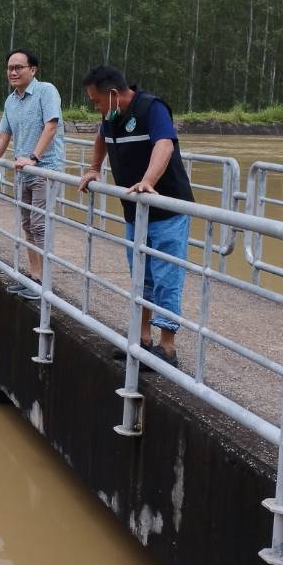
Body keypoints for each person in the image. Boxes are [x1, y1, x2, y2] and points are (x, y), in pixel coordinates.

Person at [76, 65, 193, 367]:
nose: (96, 107)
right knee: (141, 276)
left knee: (167, 276)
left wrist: (149, 180)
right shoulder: (112, 115)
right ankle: (142, 340)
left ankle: (167, 348)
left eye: (96, 101)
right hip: (135, 213)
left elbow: (164, 145)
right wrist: (93, 168)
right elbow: (101, 138)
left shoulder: (151, 108)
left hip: (167, 209)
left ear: (113, 94)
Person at [0, 49, 65, 296]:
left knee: (40, 225)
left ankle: (45, 284)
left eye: (19, 67)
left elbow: (51, 126)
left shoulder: (46, 91)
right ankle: (34, 277)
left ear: (33, 70)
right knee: (28, 225)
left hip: (45, 170)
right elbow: (4, 136)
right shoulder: (11, 101)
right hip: (23, 171)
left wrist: (33, 157)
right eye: (10, 68)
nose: (13, 72)